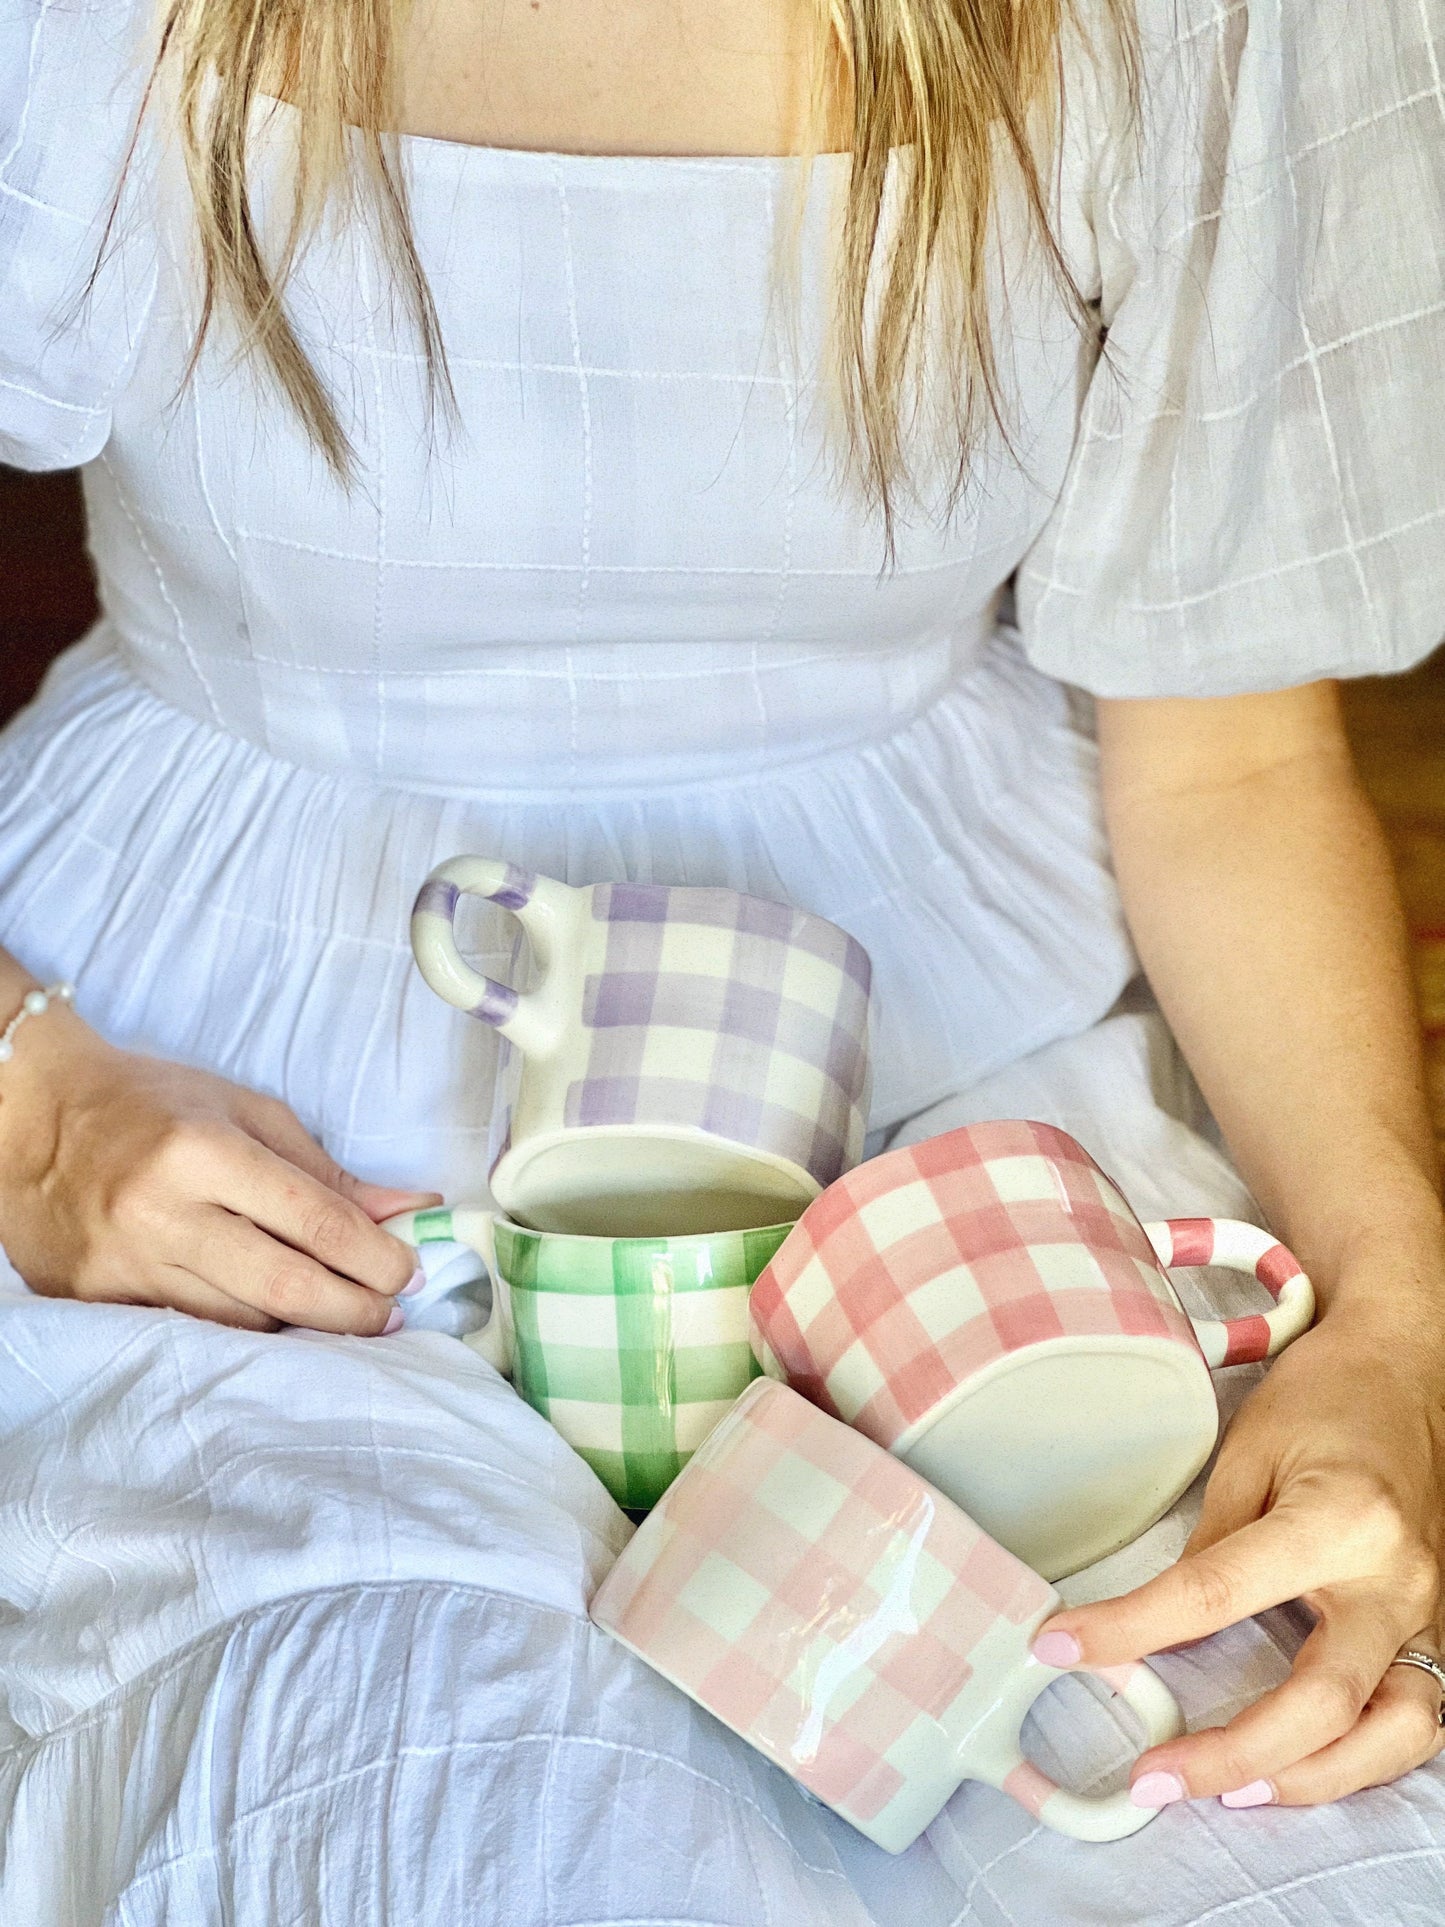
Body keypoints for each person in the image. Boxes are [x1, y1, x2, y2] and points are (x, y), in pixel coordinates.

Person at [1, 0, 1443, 1917]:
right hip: (216, 1170)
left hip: (972, 1146)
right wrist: (24, 1093)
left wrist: (1395, 1333)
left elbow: (1234, 755)